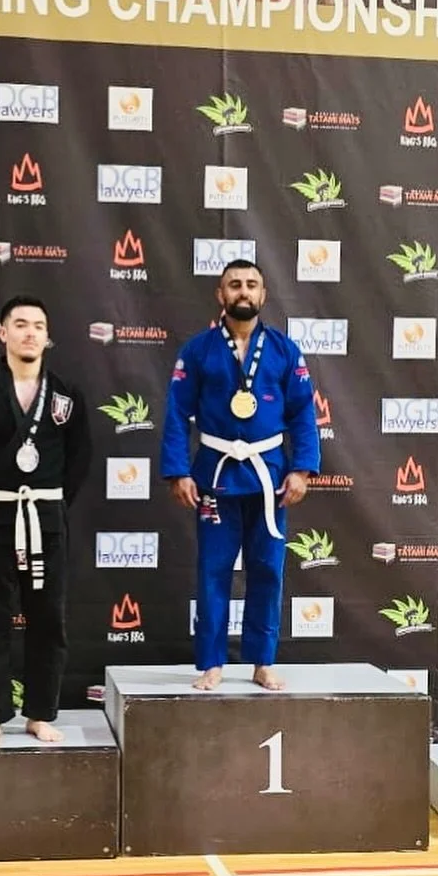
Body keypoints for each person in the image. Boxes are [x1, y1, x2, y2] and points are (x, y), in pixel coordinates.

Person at [160, 260, 320, 692]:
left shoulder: (285, 350)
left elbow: (303, 413)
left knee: (267, 570)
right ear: (221, 294)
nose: (243, 291)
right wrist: (178, 471)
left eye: (251, 284)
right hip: (215, 475)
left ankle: (262, 661)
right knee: (213, 570)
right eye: (235, 284)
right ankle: (211, 662)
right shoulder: (198, 351)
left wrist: (303, 469)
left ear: (263, 294)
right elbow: (176, 412)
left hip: (270, 479)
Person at [0, 296, 92, 747]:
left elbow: (80, 458)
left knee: (49, 619)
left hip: (46, 518)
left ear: (48, 336)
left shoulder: (66, 394)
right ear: (2, 333)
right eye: (21, 324)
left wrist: (53, 505)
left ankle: (40, 714)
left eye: (38, 326)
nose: (30, 333)